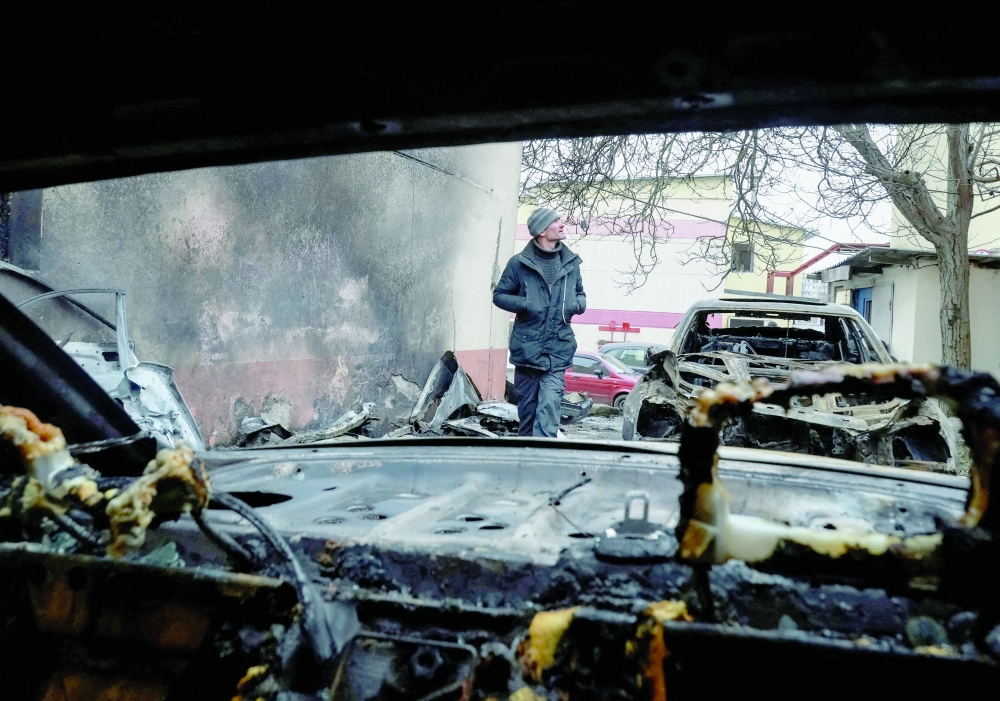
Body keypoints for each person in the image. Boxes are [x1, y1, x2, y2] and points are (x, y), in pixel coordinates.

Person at [493, 208, 586, 436]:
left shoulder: (571, 263)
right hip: (528, 351)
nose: (562, 224)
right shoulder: (519, 264)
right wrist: (526, 303)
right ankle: (523, 462)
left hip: (558, 350)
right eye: (556, 221)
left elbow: (580, 293)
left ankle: (541, 461)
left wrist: (577, 305)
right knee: (528, 414)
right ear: (542, 230)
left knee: (549, 409)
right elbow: (499, 295)